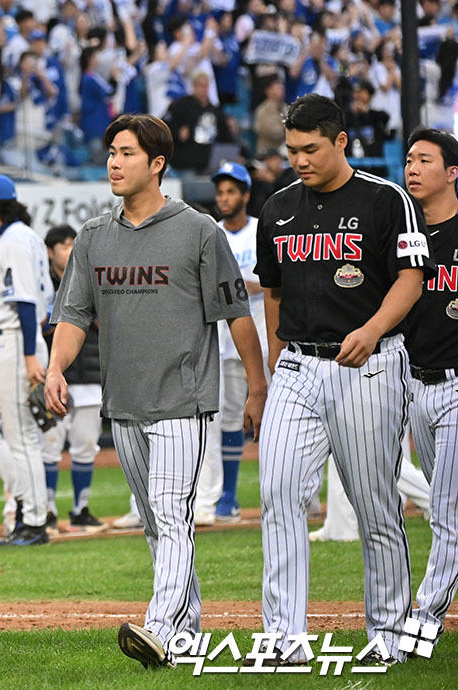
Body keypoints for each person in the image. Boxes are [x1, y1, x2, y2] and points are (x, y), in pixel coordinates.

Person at [45, 114, 266, 669]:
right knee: (155, 522)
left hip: (183, 398)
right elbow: (72, 316)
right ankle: (187, 624)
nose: (114, 163)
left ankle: (160, 628)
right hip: (124, 402)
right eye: (111, 152)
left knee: (172, 514)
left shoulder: (199, 230)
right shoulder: (94, 236)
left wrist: (258, 386)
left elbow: (238, 317)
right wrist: (55, 369)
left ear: (157, 163)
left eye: (126, 153)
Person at [255, 94, 430, 665]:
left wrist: (374, 329)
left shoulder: (386, 199)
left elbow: (412, 278)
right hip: (299, 367)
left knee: (375, 504)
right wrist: (279, 357)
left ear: (340, 142)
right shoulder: (277, 208)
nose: (299, 160)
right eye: (291, 150)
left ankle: (387, 633)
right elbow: (273, 293)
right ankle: (284, 637)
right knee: (279, 495)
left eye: (310, 149)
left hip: (370, 367)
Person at [0, 173, 53, 546]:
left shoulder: (14, 239)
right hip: (14, 341)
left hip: (19, 343)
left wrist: (32, 355)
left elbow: (25, 300)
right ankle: (25, 496)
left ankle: (35, 521)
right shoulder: (27, 236)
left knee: (23, 439)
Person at [403, 127, 458, 635]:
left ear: (452, 172)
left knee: (446, 509)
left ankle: (425, 617)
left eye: (425, 159)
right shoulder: (404, 236)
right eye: (409, 159)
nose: (413, 168)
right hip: (416, 386)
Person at [193, 162, 266, 526]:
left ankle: (307, 496)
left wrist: (238, 287)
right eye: (220, 192)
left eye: (231, 191)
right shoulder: (211, 234)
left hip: (263, 338)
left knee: (272, 421)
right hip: (223, 343)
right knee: (228, 421)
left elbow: (273, 284)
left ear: (246, 195)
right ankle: (229, 496)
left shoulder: (259, 231)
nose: (224, 198)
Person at [42, 224, 104, 533]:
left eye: (72, 244)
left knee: (86, 445)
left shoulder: (93, 279)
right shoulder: (41, 281)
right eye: (62, 245)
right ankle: (48, 510)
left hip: (91, 373)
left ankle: (81, 509)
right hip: (55, 377)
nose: (68, 250)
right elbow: (37, 326)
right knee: (49, 445)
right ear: (50, 251)